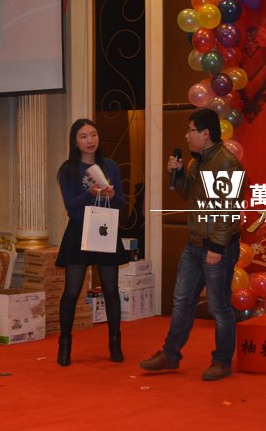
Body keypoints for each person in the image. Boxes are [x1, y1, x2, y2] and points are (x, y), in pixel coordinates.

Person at [140, 108, 243, 381]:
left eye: (190, 130)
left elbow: (228, 210)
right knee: (182, 301)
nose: (186, 136)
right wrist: (177, 175)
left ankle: (222, 361)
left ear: (205, 133)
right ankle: (170, 354)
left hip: (217, 247)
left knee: (219, 306)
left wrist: (217, 248)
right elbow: (189, 196)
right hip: (194, 244)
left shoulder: (227, 164)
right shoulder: (197, 163)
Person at [55, 119, 129, 366]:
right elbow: (71, 207)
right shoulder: (68, 169)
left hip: (104, 228)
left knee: (111, 290)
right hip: (79, 230)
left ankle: (115, 343)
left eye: (93, 134)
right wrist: (90, 193)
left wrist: (111, 195)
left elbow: (121, 203)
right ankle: (65, 345)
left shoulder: (110, 166)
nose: (90, 140)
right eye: (84, 136)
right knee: (72, 291)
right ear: (75, 141)